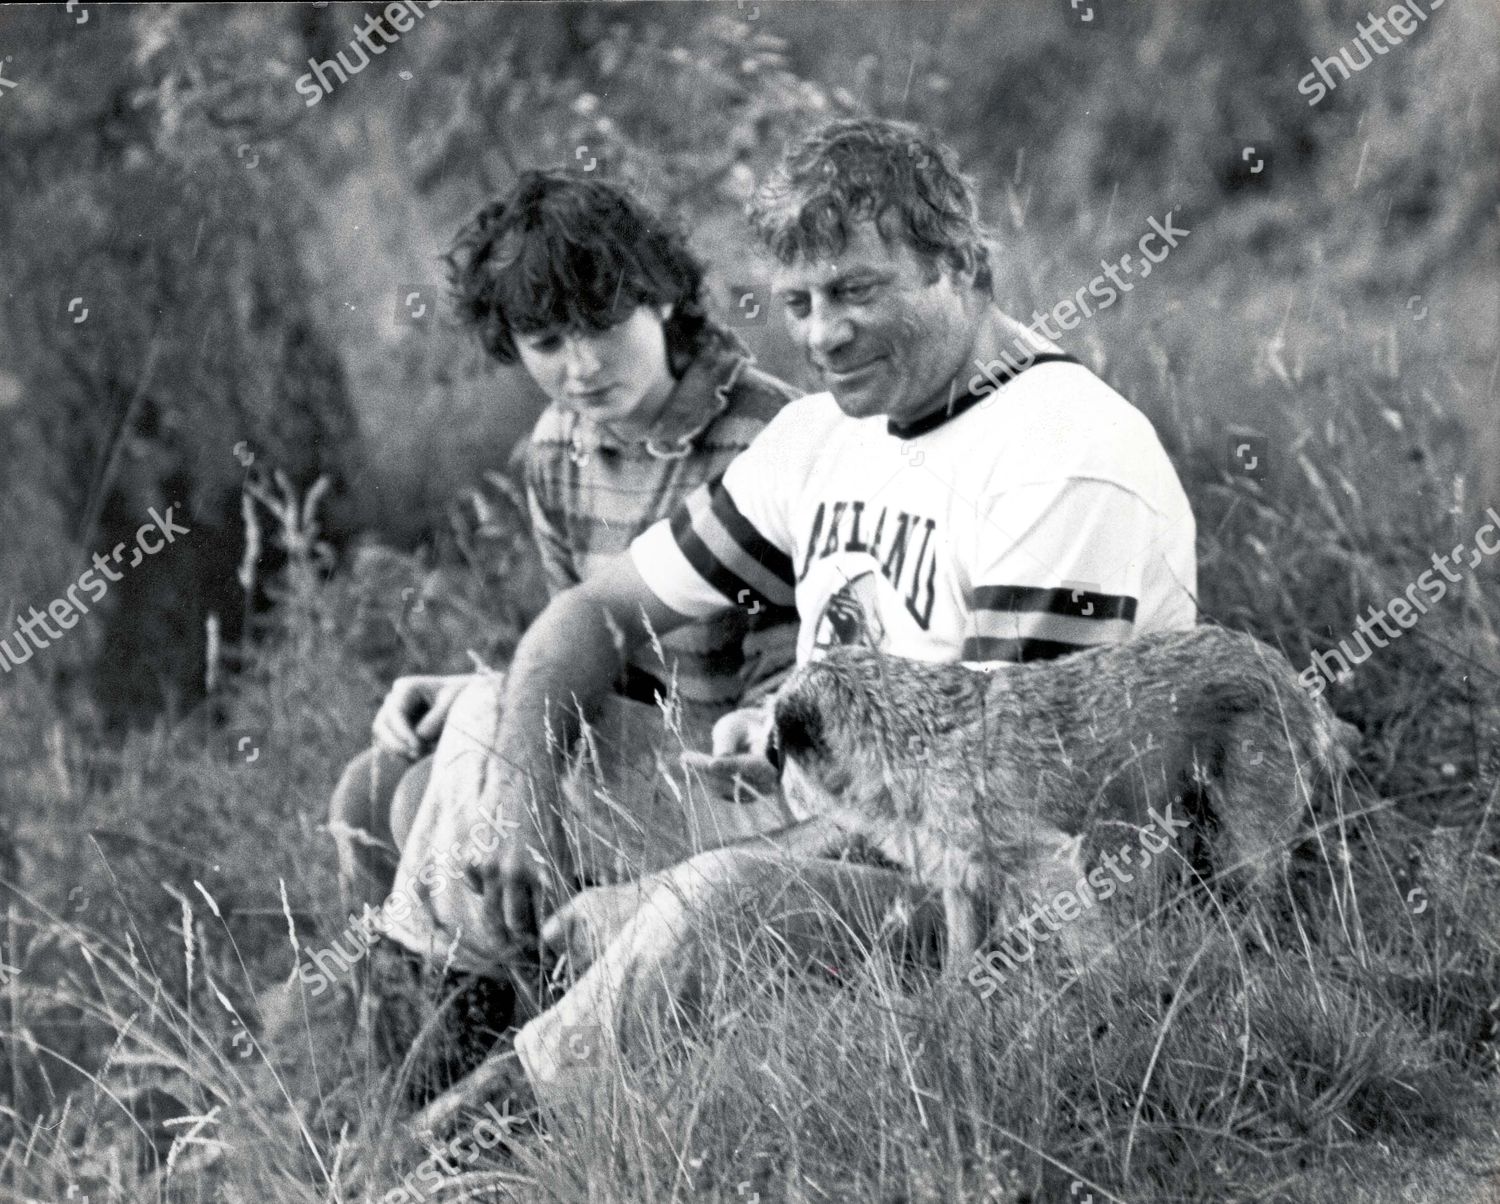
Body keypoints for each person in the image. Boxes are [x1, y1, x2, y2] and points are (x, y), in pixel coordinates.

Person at [406, 117, 1199, 1110]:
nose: (823, 332)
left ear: (960, 265)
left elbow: (992, 809)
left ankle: (468, 1142)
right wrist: (518, 790)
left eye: (859, 289)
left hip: (1007, 904)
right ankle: (397, 1047)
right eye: (800, 302)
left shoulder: (1063, 457)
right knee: (494, 712)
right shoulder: (823, 435)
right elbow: (596, 613)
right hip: (826, 825)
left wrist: (665, 892)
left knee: (715, 902)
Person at [322, 170, 800, 1095]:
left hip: (738, 785)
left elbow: (788, 689)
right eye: (546, 342)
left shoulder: (765, 438)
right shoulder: (556, 450)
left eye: (602, 326)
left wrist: (500, 711)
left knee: (461, 768)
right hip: (630, 761)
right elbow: (588, 655)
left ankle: (425, 1065)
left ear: (660, 297)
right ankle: (457, 1037)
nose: (580, 368)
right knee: (382, 782)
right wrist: (476, 695)